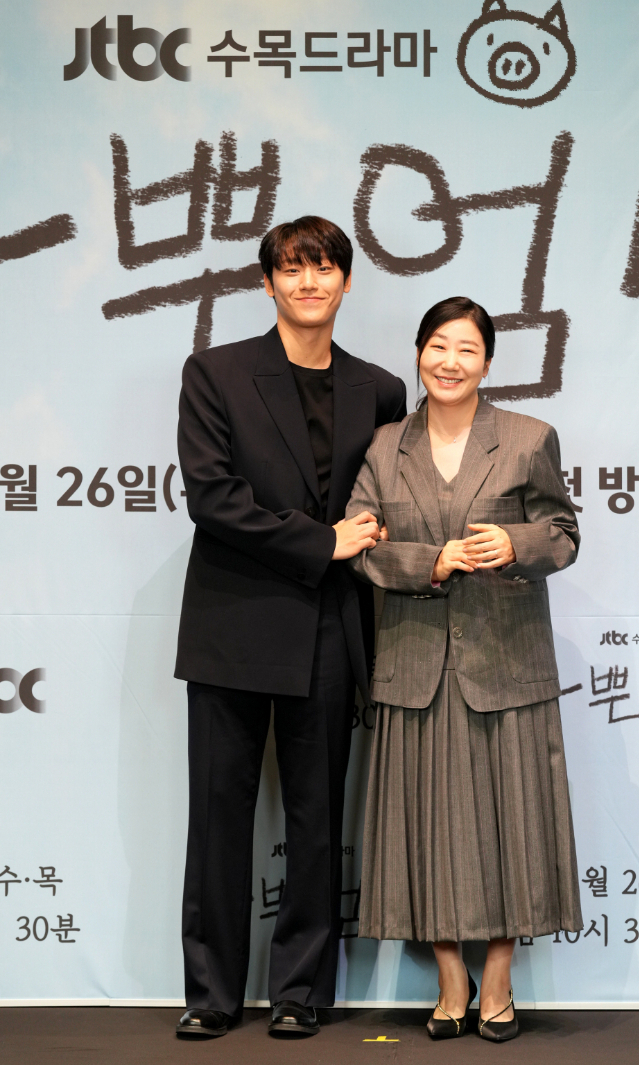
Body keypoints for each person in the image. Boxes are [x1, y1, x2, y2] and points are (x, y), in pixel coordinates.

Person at [174, 216, 405, 1039]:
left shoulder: (380, 389)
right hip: (233, 621)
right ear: (268, 282)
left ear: (347, 280)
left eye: (325, 267)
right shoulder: (216, 372)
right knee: (219, 816)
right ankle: (211, 994)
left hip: (329, 626)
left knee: (316, 817)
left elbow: (384, 502)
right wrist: (321, 542)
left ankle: (301, 990)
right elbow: (213, 497)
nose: (310, 282)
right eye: (293, 268)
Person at [346, 296, 582, 1043]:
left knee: (515, 824)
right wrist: (429, 560)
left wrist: (515, 545)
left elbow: (563, 532)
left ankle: (499, 982)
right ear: (419, 352)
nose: (449, 362)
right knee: (424, 827)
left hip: (506, 662)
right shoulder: (385, 446)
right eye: (438, 346)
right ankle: (452, 981)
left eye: (467, 350)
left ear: (487, 362)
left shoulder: (527, 438)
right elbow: (360, 544)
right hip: (415, 665)